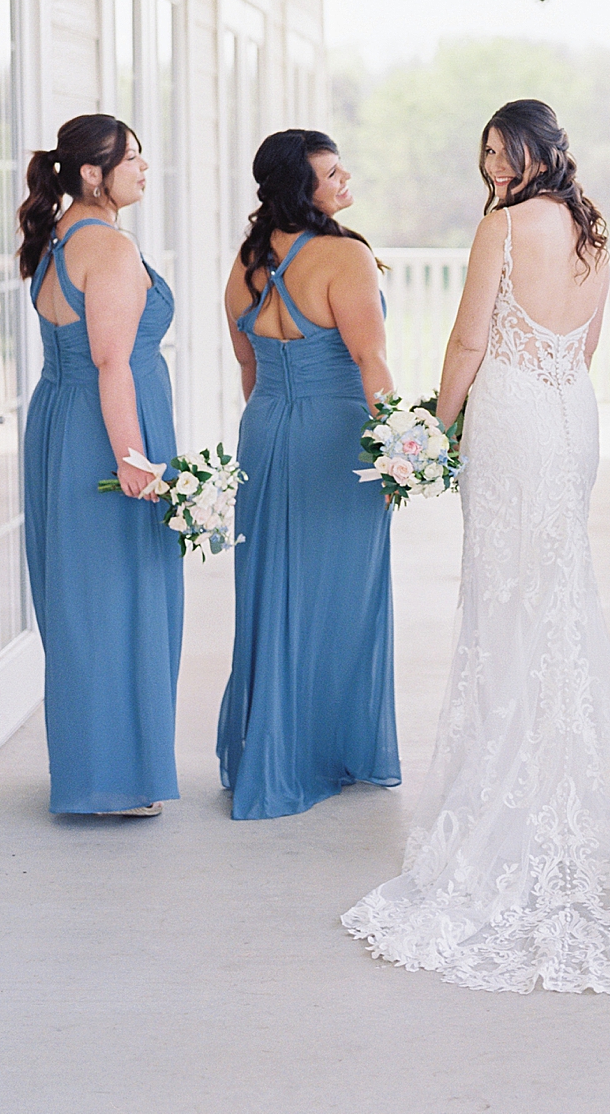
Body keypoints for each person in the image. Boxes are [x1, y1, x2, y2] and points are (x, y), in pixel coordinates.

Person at [342, 99, 610, 994]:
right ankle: (567, 786)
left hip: (513, 414)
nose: (494, 165)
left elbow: (467, 338)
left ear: (539, 150)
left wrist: (433, 427)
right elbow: (589, 340)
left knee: (508, 598)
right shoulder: (591, 231)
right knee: (556, 596)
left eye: (505, 150)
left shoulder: (503, 225)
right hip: (570, 413)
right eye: (486, 152)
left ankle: (515, 792)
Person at [216, 130, 399, 819]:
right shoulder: (345, 256)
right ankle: (325, 749)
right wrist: (397, 448)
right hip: (336, 439)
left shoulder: (244, 264)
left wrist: (274, 424)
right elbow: (371, 362)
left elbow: (248, 364)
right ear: (302, 186)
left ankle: (272, 745)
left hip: (264, 433)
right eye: (331, 171)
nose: (345, 177)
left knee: (272, 589)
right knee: (341, 593)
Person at [20, 115, 182, 817]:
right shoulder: (109, 248)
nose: (145, 168)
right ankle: (117, 777)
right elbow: (112, 361)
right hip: (101, 431)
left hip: (59, 422)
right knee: (122, 598)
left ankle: (93, 766)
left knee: (81, 603)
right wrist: (134, 459)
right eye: (133, 158)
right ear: (94, 173)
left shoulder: (59, 238)